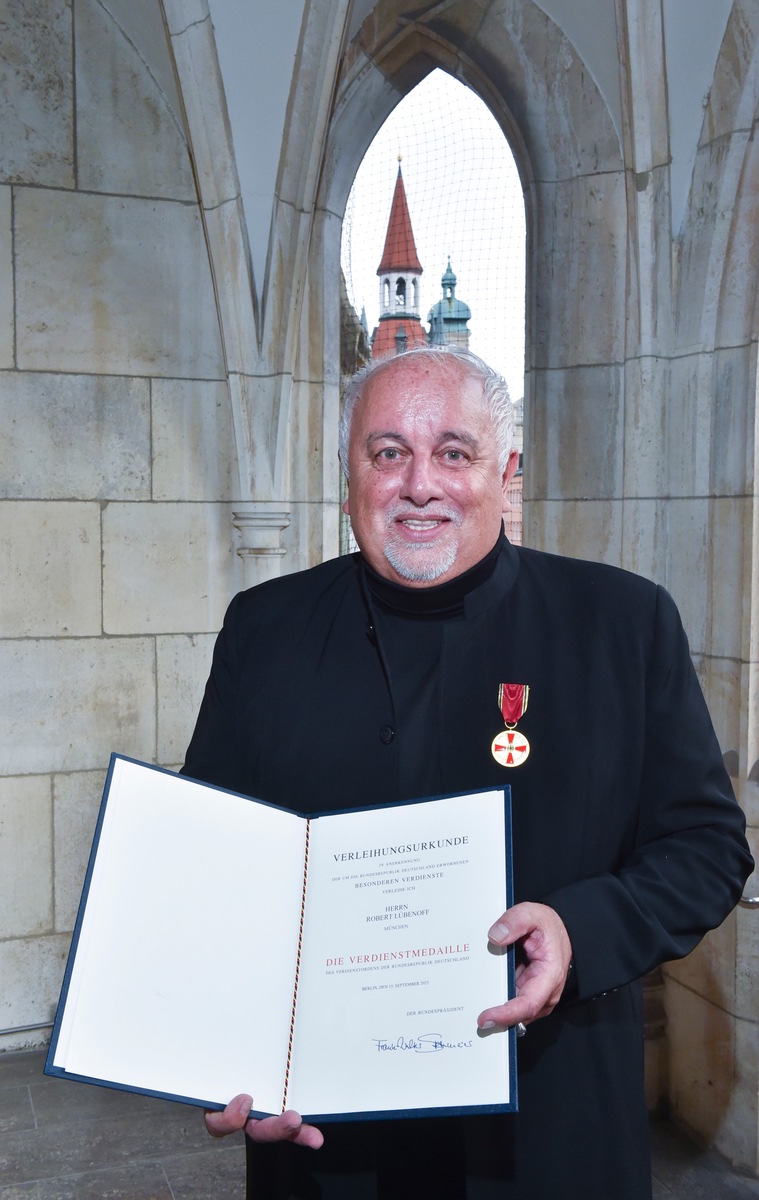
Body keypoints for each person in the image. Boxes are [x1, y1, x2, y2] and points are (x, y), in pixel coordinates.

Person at [182, 345, 753, 1199]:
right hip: (327, 1136)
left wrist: (581, 928)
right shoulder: (264, 628)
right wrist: (224, 1055)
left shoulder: (621, 624)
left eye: (453, 451)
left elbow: (707, 848)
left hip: (548, 1129)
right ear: (349, 475)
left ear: (504, 470)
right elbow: (208, 866)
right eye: (387, 453)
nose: (419, 484)